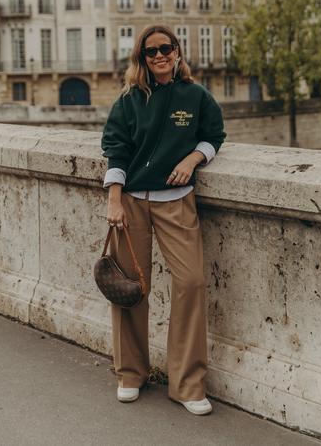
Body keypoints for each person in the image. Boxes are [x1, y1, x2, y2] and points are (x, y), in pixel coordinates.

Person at [101, 24, 226, 415]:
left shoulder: (196, 95)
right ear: (141, 58)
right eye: (150, 52)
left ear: (177, 52)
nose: (159, 56)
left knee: (191, 281)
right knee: (131, 287)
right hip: (133, 201)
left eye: (165, 49)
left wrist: (193, 159)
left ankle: (187, 383)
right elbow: (116, 149)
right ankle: (131, 372)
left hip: (177, 202)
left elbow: (214, 135)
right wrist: (114, 199)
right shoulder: (129, 100)